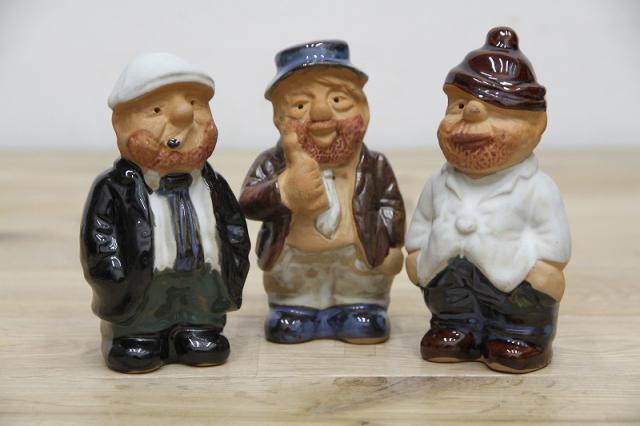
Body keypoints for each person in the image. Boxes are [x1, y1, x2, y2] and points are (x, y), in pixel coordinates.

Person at [405, 27, 571, 373]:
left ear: (537, 125)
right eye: (459, 105)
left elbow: (554, 241)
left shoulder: (537, 188)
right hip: (445, 269)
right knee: (449, 298)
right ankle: (454, 328)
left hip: (514, 276)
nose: (471, 113)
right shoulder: (439, 182)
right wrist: (417, 254)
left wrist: (543, 270)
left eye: (496, 109)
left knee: (520, 308)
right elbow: (422, 222)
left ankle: (522, 338)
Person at [80, 52, 250, 373]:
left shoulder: (213, 184)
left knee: (200, 311)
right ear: (120, 124)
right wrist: (113, 277)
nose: (184, 115)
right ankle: (136, 336)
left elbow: (234, 228)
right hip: (142, 282)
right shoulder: (114, 188)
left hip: (203, 280)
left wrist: (235, 266)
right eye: (156, 110)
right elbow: (100, 237)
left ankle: (198, 329)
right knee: (141, 330)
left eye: (195, 103)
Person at [239, 40, 405, 344]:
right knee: (293, 302)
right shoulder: (274, 163)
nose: (320, 112)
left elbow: (390, 204)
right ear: (279, 119)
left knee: (359, 296)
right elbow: (248, 203)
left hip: (357, 260)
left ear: (364, 110)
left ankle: (360, 309)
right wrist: (284, 190)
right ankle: (294, 310)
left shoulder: (374, 164)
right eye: (300, 105)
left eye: (338, 100)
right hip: (295, 262)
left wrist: (389, 244)